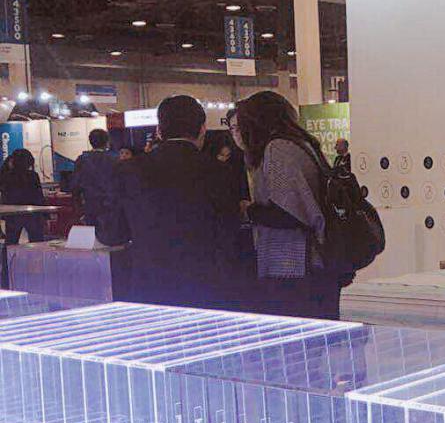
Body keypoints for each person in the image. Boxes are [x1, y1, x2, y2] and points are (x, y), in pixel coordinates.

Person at [96, 96, 239, 308]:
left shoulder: (128, 171)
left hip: (149, 287)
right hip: (206, 287)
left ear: (159, 131)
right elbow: (229, 231)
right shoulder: (220, 172)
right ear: (202, 129)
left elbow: (111, 233)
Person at [234, 91, 341, 320]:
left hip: (293, 264)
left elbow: (288, 212)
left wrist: (249, 210)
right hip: (309, 263)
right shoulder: (300, 144)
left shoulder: (278, 148)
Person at [0, 150, 47, 245]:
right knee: (37, 240)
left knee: (11, 241)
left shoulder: (7, 176)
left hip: (13, 213)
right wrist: (44, 215)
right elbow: (39, 196)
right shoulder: (33, 176)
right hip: (32, 213)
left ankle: (7, 255)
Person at [70, 127, 115, 225]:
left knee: (91, 231)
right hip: (110, 206)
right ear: (107, 142)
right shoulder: (113, 160)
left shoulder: (82, 160)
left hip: (89, 205)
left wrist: (79, 208)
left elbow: (75, 185)